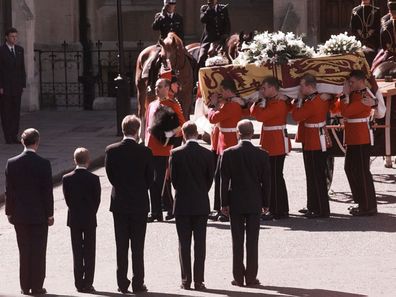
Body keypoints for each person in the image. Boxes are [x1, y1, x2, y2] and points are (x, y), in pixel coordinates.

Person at [105, 115, 154, 294]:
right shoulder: (146, 152)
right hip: (139, 202)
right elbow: (150, 178)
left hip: (120, 202)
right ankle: (138, 282)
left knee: (121, 245)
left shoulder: (111, 150)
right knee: (137, 246)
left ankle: (122, 283)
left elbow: (110, 175)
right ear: (137, 130)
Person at [220, 119, 270, 287]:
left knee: (237, 241)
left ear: (237, 133)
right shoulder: (262, 154)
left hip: (236, 201)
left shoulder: (228, 153)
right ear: (252, 133)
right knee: (252, 241)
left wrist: (224, 203)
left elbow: (224, 180)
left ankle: (238, 276)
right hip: (255, 200)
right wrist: (266, 202)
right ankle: (251, 276)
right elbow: (267, 182)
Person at [5, 128, 54, 295]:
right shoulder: (44, 164)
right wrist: (50, 214)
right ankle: (37, 286)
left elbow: (9, 191)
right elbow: (47, 192)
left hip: (20, 215)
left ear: (22, 142)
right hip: (39, 215)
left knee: (24, 251)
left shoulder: (12, 163)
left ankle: (24, 286)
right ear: (37, 142)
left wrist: (9, 212)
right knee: (39, 251)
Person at [169, 121, 214, 291]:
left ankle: (186, 280)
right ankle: (199, 280)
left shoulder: (175, 153)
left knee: (184, 243)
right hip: (201, 202)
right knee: (200, 243)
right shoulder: (207, 153)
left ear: (184, 134)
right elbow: (210, 178)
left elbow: (174, 180)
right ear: (196, 134)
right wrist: (202, 190)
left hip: (182, 203)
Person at [337, 70, 377, 216]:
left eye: (352, 82)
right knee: (350, 168)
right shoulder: (354, 94)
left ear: (360, 81)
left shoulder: (365, 96)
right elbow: (338, 109)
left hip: (361, 138)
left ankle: (368, 206)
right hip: (353, 136)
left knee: (361, 172)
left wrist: (344, 95)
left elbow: (346, 112)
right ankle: (361, 201)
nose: (350, 85)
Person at [250, 77, 291, 220]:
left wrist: (259, 101)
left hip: (276, 143)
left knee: (275, 178)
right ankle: (278, 208)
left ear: (273, 88)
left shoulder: (279, 102)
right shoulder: (272, 100)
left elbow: (260, 116)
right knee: (273, 177)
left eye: (264, 88)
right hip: (271, 142)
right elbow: (254, 113)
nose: (262, 90)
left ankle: (278, 210)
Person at [145, 78, 185, 222]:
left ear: (167, 89)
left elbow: (182, 125)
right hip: (150, 148)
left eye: (160, 86)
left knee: (162, 181)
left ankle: (167, 209)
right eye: (156, 86)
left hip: (163, 148)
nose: (157, 89)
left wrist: (169, 134)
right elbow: (147, 125)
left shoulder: (172, 104)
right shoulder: (151, 104)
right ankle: (155, 211)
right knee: (151, 180)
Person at [292, 74, 331, 219]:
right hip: (311, 138)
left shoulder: (313, 102)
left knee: (317, 176)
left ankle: (321, 209)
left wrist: (299, 101)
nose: (300, 88)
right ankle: (313, 205)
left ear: (309, 86)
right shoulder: (318, 98)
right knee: (312, 175)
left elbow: (296, 116)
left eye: (302, 86)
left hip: (315, 140)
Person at [62, 148, 101, 293]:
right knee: (90, 252)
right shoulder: (94, 178)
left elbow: (67, 199)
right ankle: (88, 283)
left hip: (75, 219)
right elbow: (97, 200)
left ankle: (78, 283)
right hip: (90, 218)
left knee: (77, 252)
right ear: (88, 161)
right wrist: (91, 212)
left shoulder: (67, 178)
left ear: (74, 160)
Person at [207, 79, 243, 222]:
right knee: (219, 178)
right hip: (223, 144)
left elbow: (213, 118)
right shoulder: (229, 103)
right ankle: (219, 208)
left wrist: (213, 104)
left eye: (222, 91)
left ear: (228, 91)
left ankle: (225, 209)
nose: (220, 94)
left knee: (224, 180)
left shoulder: (232, 105)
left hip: (228, 145)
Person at [0, 27, 26, 144]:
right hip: (5, 87)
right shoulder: (1, 51)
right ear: (7, 37)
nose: (14, 38)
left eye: (16, 36)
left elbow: (22, 69)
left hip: (17, 87)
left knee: (16, 112)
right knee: (6, 112)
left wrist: (22, 84)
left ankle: (14, 135)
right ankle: (8, 137)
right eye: (12, 36)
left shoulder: (20, 50)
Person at [198, 0, 231, 68]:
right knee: (201, 57)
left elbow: (227, 23)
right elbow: (203, 20)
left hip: (221, 39)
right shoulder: (204, 8)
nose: (212, 2)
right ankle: (196, 76)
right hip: (209, 39)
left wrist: (226, 34)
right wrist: (209, 9)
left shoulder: (223, 8)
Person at [350, 0, 381, 66]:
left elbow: (378, 26)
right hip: (359, 39)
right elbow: (352, 27)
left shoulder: (376, 10)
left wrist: (370, 32)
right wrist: (359, 32)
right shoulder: (355, 10)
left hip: (372, 40)